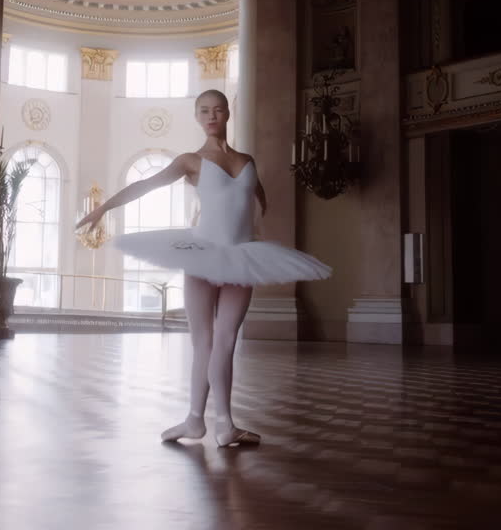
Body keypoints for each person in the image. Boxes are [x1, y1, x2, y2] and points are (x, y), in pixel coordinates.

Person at [75, 89, 331, 447]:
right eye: (204, 111)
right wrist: (103, 209)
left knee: (225, 342)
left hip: (241, 258)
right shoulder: (190, 161)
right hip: (201, 255)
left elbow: (257, 193)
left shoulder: (247, 159)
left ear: (227, 114)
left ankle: (224, 424)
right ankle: (195, 420)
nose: (211, 116)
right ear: (197, 117)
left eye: (218, 110)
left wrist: (258, 210)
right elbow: (145, 186)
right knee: (204, 344)